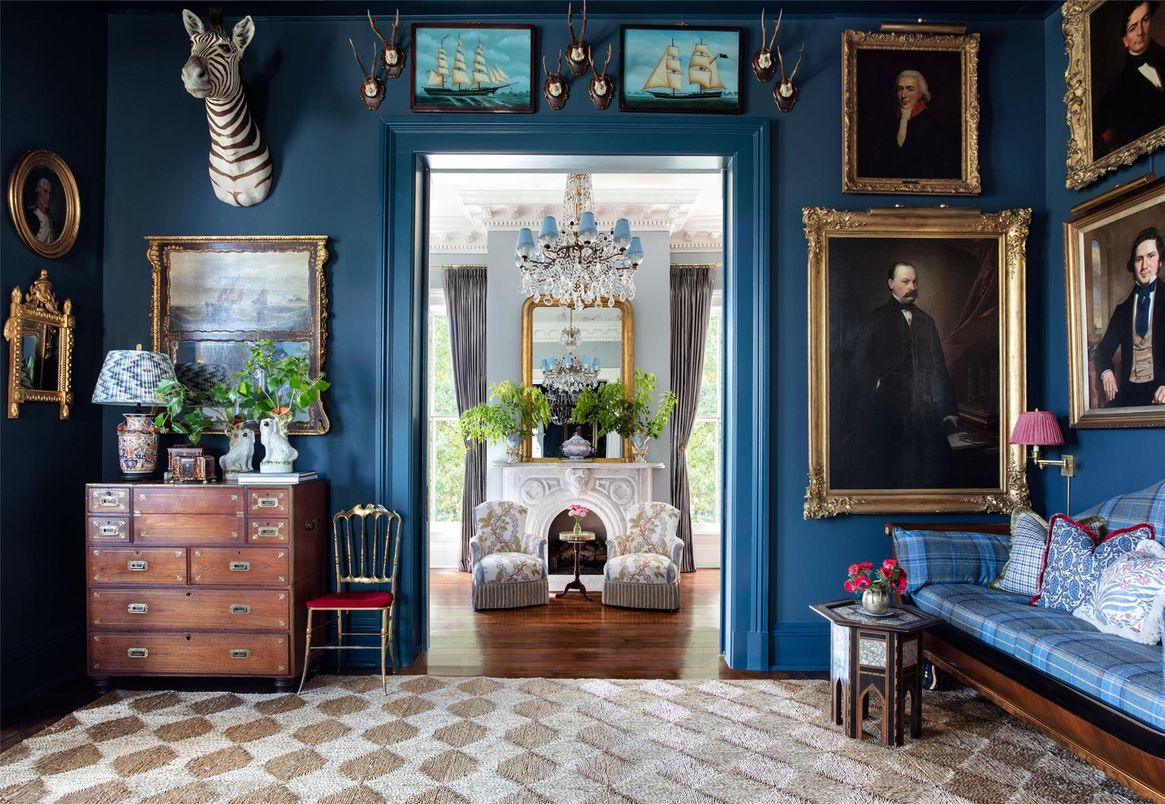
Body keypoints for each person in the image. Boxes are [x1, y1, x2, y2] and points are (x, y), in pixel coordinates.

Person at [855, 262, 960, 487]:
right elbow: (860, 368)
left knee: (931, 474)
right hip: (886, 414)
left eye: (914, 281)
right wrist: (872, 401)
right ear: (891, 284)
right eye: (905, 281)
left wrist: (949, 409)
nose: (912, 286)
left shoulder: (927, 321)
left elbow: (939, 367)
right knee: (890, 473)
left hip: (924, 414)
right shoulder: (874, 321)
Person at [1094, 226, 1165, 407]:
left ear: (1160, 262)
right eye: (1139, 259)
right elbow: (1102, 351)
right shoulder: (1123, 310)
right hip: (1128, 393)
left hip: (1160, 391)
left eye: (1151, 256)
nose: (1144, 265)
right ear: (1133, 265)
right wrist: (1106, 372)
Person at [1096, 1, 1165, 154]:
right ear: (1125, 40)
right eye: (1133, 28)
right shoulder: (1117, 91)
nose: (1141, 32)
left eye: (1145, 20)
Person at [871, 69, 945, 179]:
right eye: (900, 89)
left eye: (910, 89)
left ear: (920, 93)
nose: (903, 95)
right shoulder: (890, 123)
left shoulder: (931, 124)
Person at [24, 177, 56, 244]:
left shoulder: (50, 218)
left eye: (50, 193)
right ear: (38, 191)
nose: (48, 197)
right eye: (45, 191)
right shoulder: (29, 214)